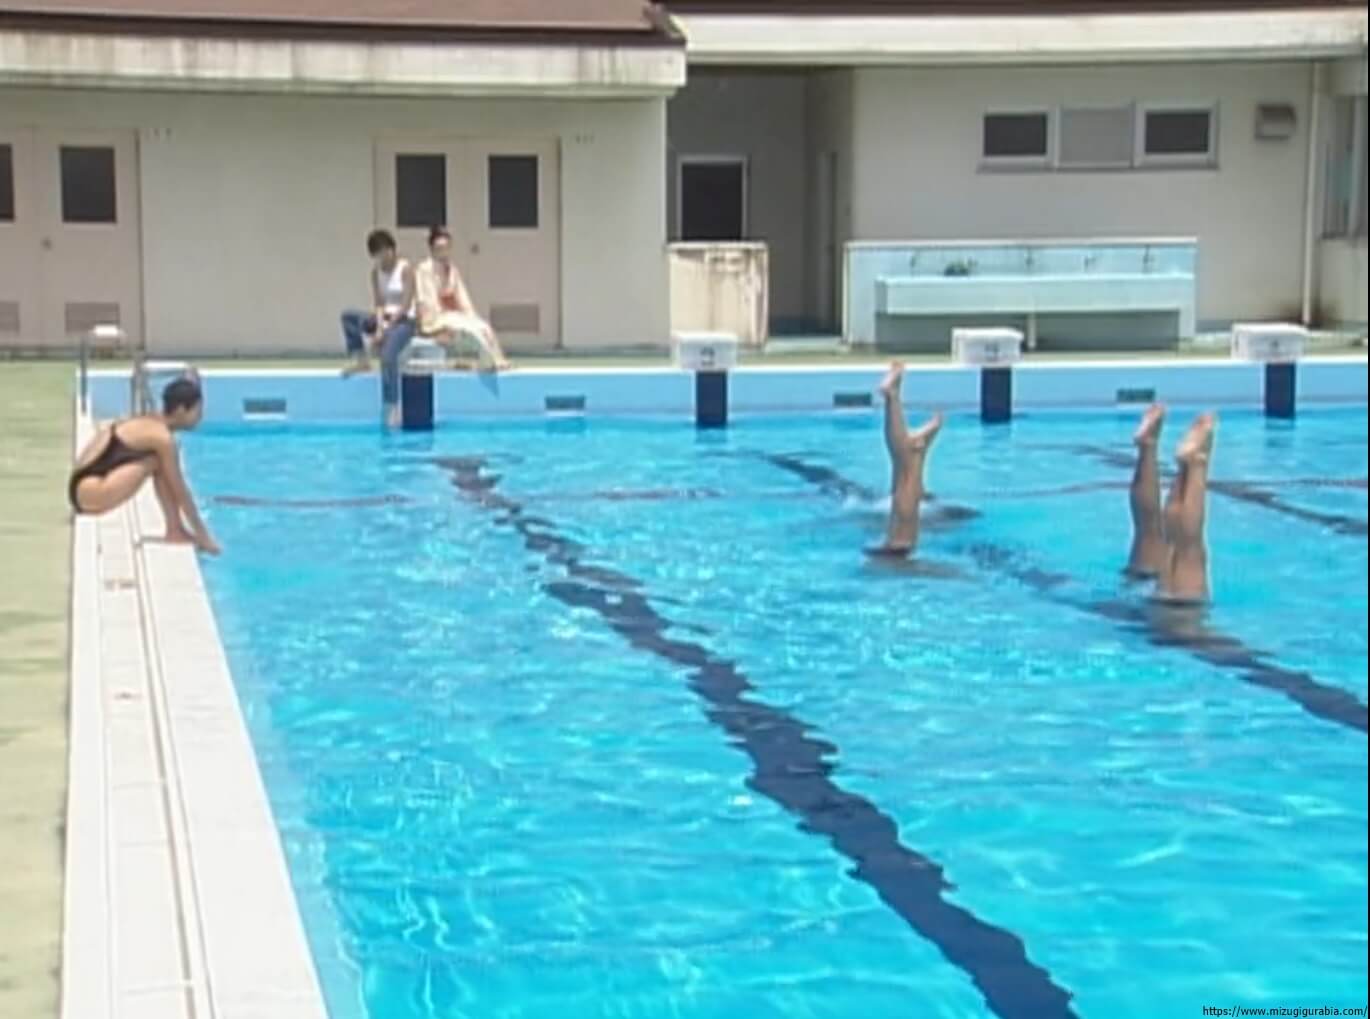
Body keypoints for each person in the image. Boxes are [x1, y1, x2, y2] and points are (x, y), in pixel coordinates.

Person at [68, 374, 221, 556]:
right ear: (181, 410)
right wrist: (204, 536)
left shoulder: (149, 421)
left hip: (81, 490)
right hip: (90, 492)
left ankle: (175, 529)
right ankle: (175, 530)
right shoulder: (162, 438)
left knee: (159, 460)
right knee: (158, 461)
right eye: (197, 411)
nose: (200, 418)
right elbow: (179, 490)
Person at [1125, 403, 1217, 603]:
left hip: (1173, 610)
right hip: (1174, 612)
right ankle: (1152, 447)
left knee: (1185, 551)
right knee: (1149, 532)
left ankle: (1193, 461)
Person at [340, 229, 418, 428]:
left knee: (388, 357)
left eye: (385, 251)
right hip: (384, 319)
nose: (383, 257)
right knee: (349, 318)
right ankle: (361, 360)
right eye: (378, 254)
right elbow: (379, 303)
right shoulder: (376, 273)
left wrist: (386, 329)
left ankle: (392, 405)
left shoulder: (405, 269)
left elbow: (406, 304)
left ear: (392, 250)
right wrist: (379, 327)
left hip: (404, 321)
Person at [866, 361, 944, 558]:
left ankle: (893, 398)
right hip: (897, 549)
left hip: (896, 550)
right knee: (905, 475)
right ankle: (893, 397)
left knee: (905, 474)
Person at [415, 225, 510, 372]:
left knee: (482, 327)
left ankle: (497, 358)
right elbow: (428, 303)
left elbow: (463, 299)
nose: (443, 252)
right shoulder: (424, 270)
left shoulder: (452, 270)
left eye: (446, 248)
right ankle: (488, 360)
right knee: (468, 330)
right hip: (434, 320)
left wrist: (471, 316)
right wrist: (445, 322)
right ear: (432, 250)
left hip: (452, 316)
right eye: (439, 249)